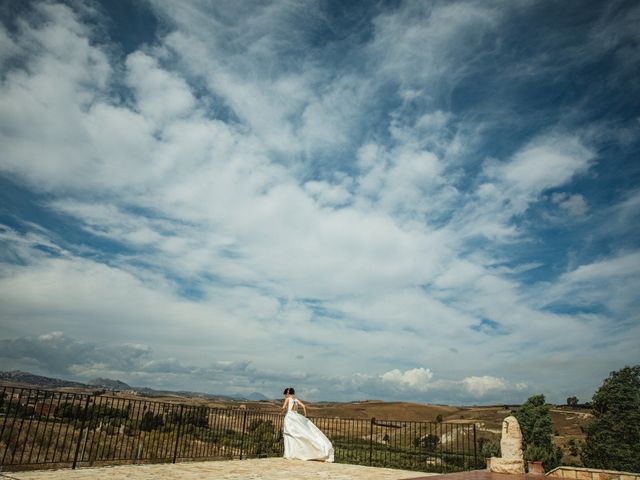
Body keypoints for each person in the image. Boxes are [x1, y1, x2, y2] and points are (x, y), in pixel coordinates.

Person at [279, 387, 334, 462]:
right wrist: (305, 415)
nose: (285, 395)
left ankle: (290, 454)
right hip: (296, 416)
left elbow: (283, 407)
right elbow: (304, 406)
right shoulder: (296, 400)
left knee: (290, 435)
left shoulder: (288, 399)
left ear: (288, 393)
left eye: (286, 393)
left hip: (289, 417)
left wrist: (281, 413)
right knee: (297, 435)